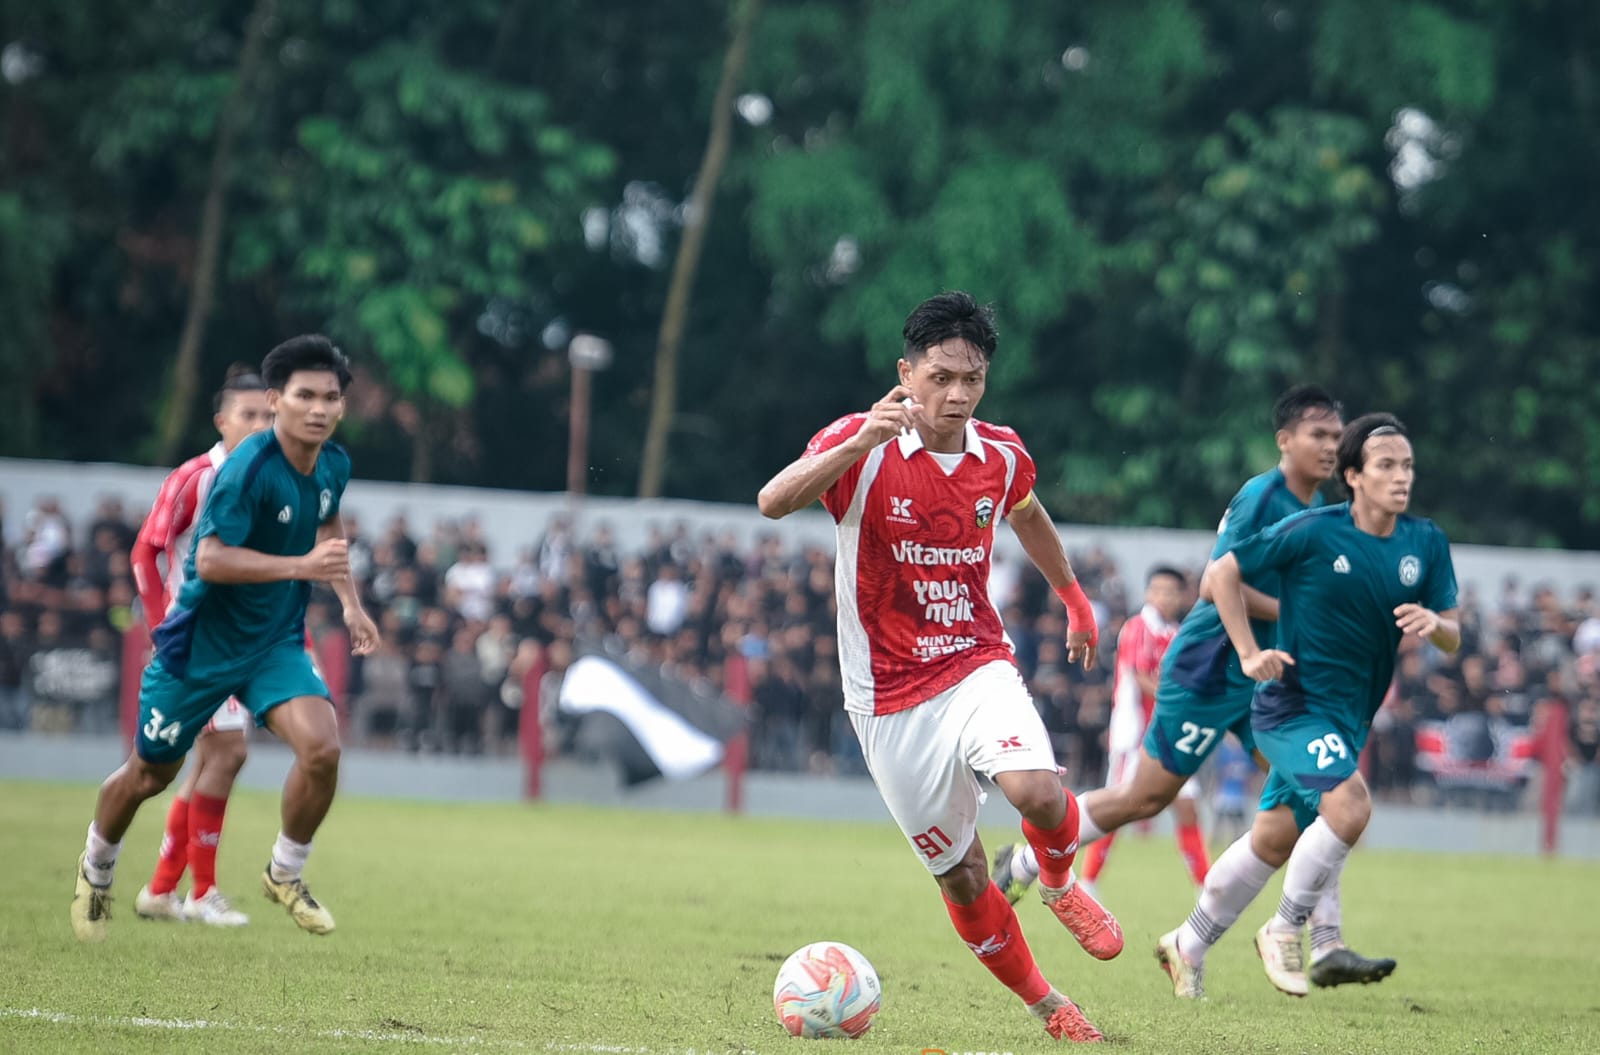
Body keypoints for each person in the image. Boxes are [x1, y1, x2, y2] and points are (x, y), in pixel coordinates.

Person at [757, 291, 1118, 1043]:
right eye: (941, 378)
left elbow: (1027, 512)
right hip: (886, 696)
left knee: (1036, 790)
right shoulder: (859, 441)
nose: (956, 395)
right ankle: (1048, 1004)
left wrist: (1075, 598)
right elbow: (773, 501)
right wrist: (857, 445)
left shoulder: (1001, 454)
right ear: (906, 374)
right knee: (962, 873)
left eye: (972, 379)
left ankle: (1057, 883)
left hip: (974, 660)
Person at [992, 386, 1387, 985]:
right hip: (1208, 672)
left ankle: (1320, 942)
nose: (1331, 446)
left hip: (1261, 683)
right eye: (1318, 435)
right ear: (1285, 441)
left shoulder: (1315, 509)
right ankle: (1024, 862)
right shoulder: (1263, 498)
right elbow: (1214, 583)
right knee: (1142, 798)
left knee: (1320, 792)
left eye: (1337, 436)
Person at [71, 336, 379, 942]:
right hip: (200, 648)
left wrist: (351, 605)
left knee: (322, 749)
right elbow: (209, 560)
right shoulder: (245, 470)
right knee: (149, 775)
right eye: (305, 396)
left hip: (274, 644)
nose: (319, 409)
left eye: (330, 398)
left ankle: (283, 873)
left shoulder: (333, 463)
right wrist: (301, 567)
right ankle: (97, 867)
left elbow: (328, 524)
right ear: (277, 399)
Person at [1155, 413, 1459, 999]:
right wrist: (1248, 653)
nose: (1402, 477)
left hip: (1349, 716)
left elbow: (1454, 634)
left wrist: (1435, 625)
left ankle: (1187, 943)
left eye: (1408, 466)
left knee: (1272, 839)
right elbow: (1221, 572)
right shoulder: (1313, 530)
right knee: (1350, 807)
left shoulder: (1425, 542)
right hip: (1290, 707)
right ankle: (1284, 928)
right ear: (1354, 476)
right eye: (1387, 466)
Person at [128, 367, 272, 927]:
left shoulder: (266, 482)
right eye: (248, 415)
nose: (260, 425)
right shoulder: (196, 477)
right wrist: (162, 628)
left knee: (210, 762)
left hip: (235, 643)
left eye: (267, 416)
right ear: (221, 421)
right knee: (226, 754)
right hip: (194, 643)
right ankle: (200, 891)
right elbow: (146, 552)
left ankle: (162, 890)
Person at [1077, 566, 1205, 892]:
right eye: (1158, 590)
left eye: (1171, 592)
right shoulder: (1137, 627)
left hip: (1169, 734)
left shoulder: (1177, 633)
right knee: (1117, 807)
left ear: (1182, 597)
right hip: (1134, 736)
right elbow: (1141, 676)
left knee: (1188, 807)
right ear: (1148, 593)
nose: (1164, 597)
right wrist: (1181, 701)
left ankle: (1206, 889)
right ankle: (1088, 881)